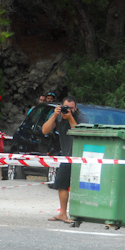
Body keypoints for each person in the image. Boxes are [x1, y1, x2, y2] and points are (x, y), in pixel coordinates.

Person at [41, 96, 86, 224]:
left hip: (80, 155)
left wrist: (70, 118)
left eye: (71, 108)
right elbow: (44, 130)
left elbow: (80, 133)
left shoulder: (81, 117)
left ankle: (80, 214)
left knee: (80, 187)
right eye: (66, 108)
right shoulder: (59, 116)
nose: (69, 110)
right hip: (66, 155)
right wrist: (54, 115)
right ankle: (62, 213)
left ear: (76, 108)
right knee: (62, 184)